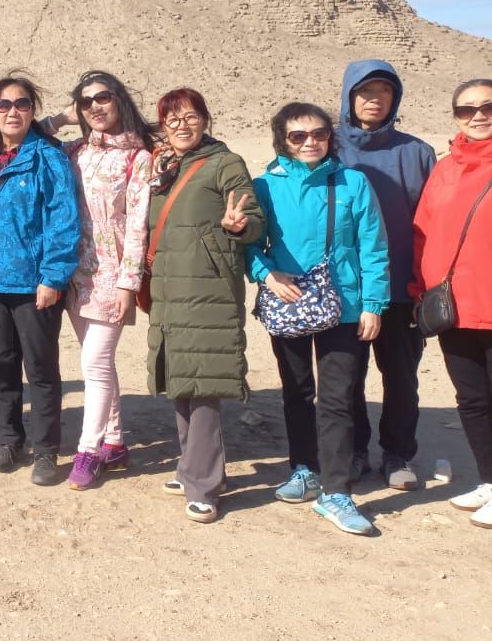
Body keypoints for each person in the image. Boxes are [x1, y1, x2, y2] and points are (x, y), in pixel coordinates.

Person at [249, 103, 389, 536]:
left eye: (319, 133)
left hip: (344, 307)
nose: (310, 142)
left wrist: (373, 304)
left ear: (331, 136)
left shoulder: (353, 182)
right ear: (282, 140)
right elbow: (248, 244)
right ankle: (304, 469)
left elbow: (374, 247)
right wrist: (266, 275)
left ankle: (337, 492)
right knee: (297, 392)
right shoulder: (264, 186)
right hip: (287, 301)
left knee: (338, 398)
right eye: (298, 135)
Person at [0, 74, 80, 485]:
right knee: (2, 366)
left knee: (40, 368)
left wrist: (53, 277)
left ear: (32, 111)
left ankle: (46, 450)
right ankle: (9, 440)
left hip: (33, 285)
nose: (13, 112)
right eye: (4, 105)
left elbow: (63, 221)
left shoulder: (48, 158)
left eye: (22, 104)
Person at [144, 88, 263, 524]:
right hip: (170, 288)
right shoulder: (163, 168)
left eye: (191, 117)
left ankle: (204, 486)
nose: (182, 125)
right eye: (172, 119)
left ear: (205, 120)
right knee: (181, 378)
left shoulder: (225, 163)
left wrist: (240, 224)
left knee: (206, 384)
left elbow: (255, 220)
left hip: (209, 288)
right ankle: (191, 467)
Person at [334, 61, 436, 489]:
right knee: (346, 378)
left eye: (384, 90)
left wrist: (426, 286)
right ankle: (355, 451)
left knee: (401, 377)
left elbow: (432, 223)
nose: (374, 99)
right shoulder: (327, 146)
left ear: (395, 98)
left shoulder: (417, 153)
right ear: (349, 96)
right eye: (365, 91)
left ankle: (397, 454)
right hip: (345, 289)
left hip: (402, 287)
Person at [53, 72, 155, 491]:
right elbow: (31, 134)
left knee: (94, 362)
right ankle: (114, 442)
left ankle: (88, 450)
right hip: (74, 275)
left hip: (113, 276)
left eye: (103, 97)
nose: (95, 106)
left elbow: (138, 225)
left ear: (120, 100)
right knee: (99, 362)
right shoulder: (75, 150)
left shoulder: (139, 157)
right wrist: (62, 117)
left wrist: (129, 283)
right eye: (85, 101)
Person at [413, 79, 492, 528]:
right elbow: (423, 229)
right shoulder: (445, 169)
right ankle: (489, 480)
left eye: (487, 107)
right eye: (466, 110)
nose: (478, 116)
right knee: (473, 400)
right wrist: (418, 286)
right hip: (453, 307)